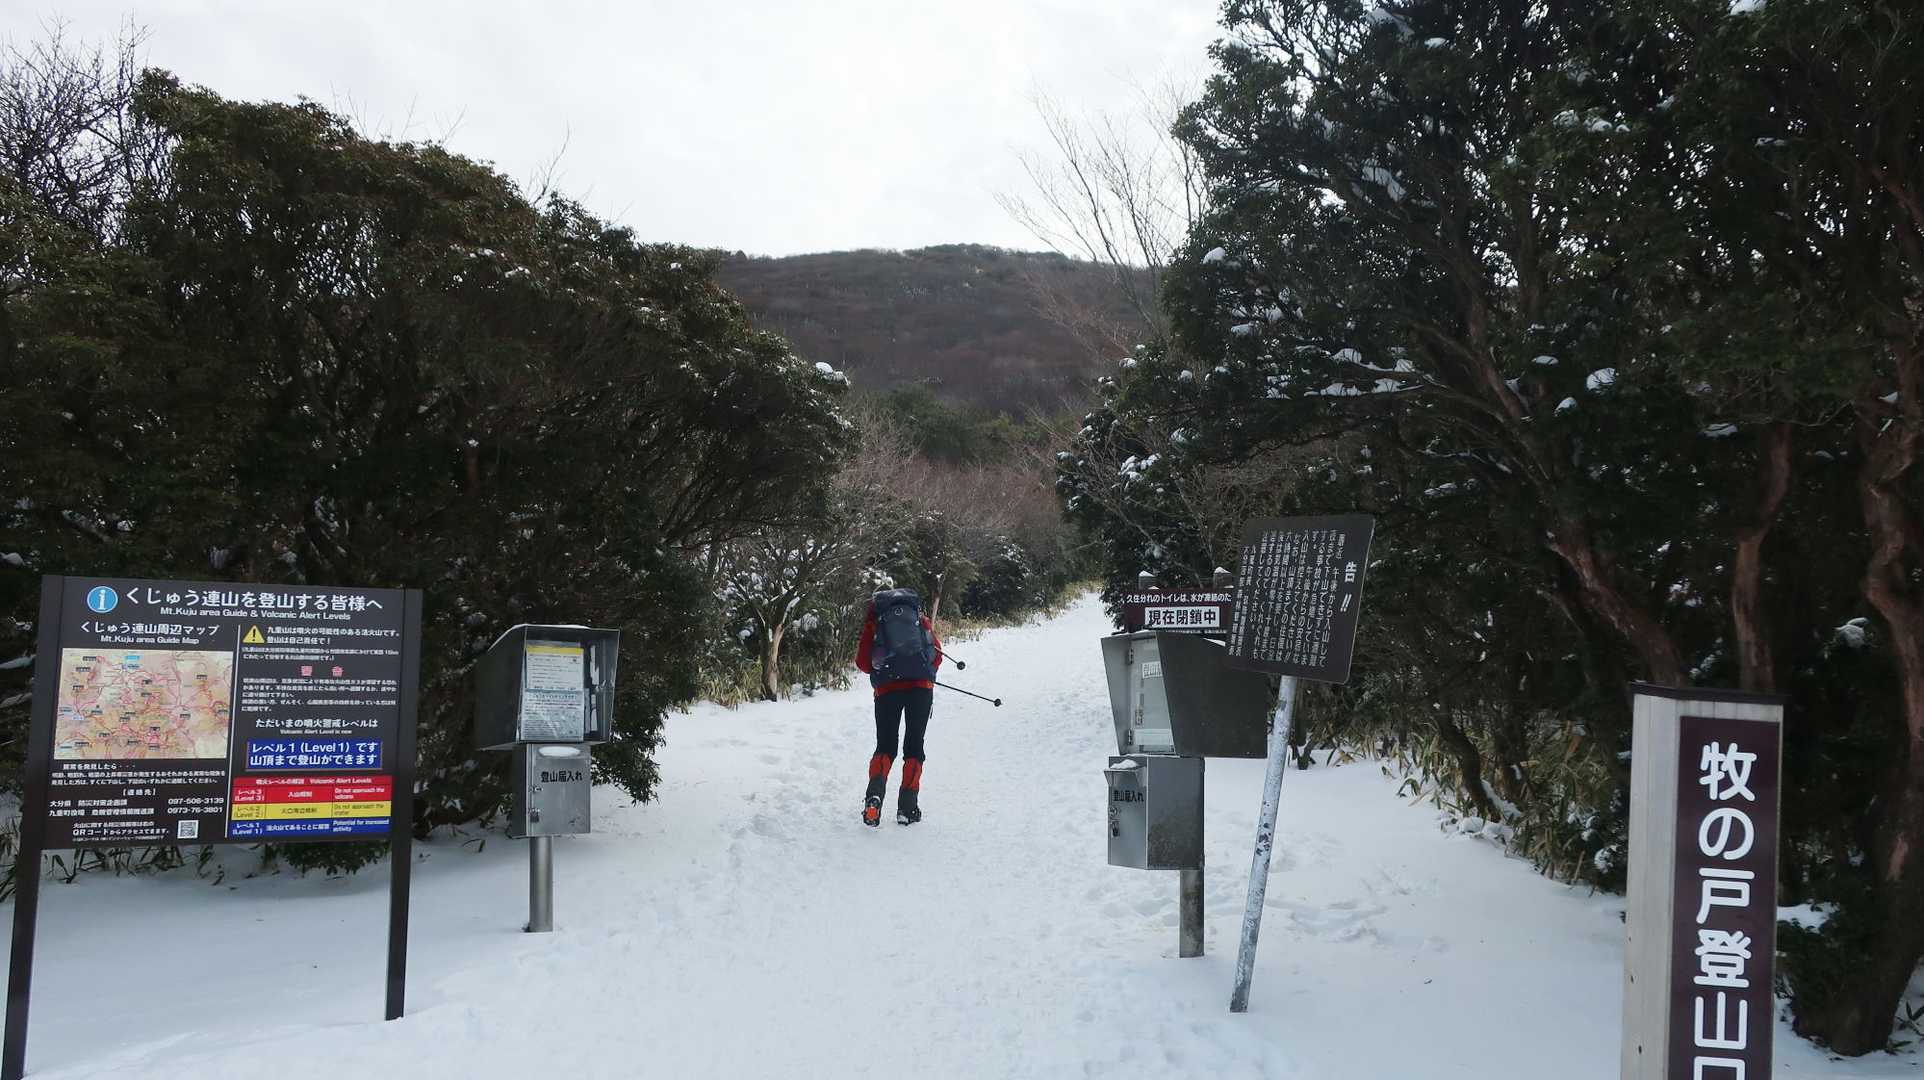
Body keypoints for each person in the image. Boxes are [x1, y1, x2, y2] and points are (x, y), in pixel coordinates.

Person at [854, 588, 942, 827]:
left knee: (885, 746)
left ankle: (874, 798)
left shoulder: (875, 624)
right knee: (914, 746)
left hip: (887, 691)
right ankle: (907, 807)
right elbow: (936, 655)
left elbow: (863, 664)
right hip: (921, 689)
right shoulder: (919, 619)